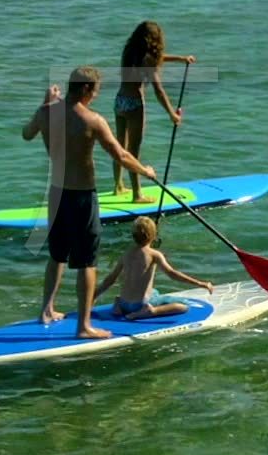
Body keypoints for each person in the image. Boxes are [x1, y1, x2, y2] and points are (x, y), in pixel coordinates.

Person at [22, 66, 162, 340]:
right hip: (82, 196)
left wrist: (44, 103)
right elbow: (120, 155)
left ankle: (46, 311)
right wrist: (145, 171)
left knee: (57, 254)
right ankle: (84, 326)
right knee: (87, 262)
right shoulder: (92, 120)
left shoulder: (46, 112)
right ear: (86, 90)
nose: (96, 96)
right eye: (96, 91)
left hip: (56, 193)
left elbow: (26, 134)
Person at [111, 21, 196, 204]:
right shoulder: (147, 60)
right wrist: (172, 114)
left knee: (119, 147)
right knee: (133, 151)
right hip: (134, 104)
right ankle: (137, 194)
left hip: (119, 101)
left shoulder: (129, 51)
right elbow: (159, 90)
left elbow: (159, 58)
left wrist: (181, 59)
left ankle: (118, 186)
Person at [93, 216, 214, 320]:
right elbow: (172, 273)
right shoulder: (154, 254)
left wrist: (93, 296)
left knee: (154, 291)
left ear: (133, 236)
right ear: (153, 235)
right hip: (140, 304)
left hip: (124, 303)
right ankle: (150, 311)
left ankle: (118, 305)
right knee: (183, 306)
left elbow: (111, 279)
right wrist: (200, 283)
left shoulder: (126, 254)